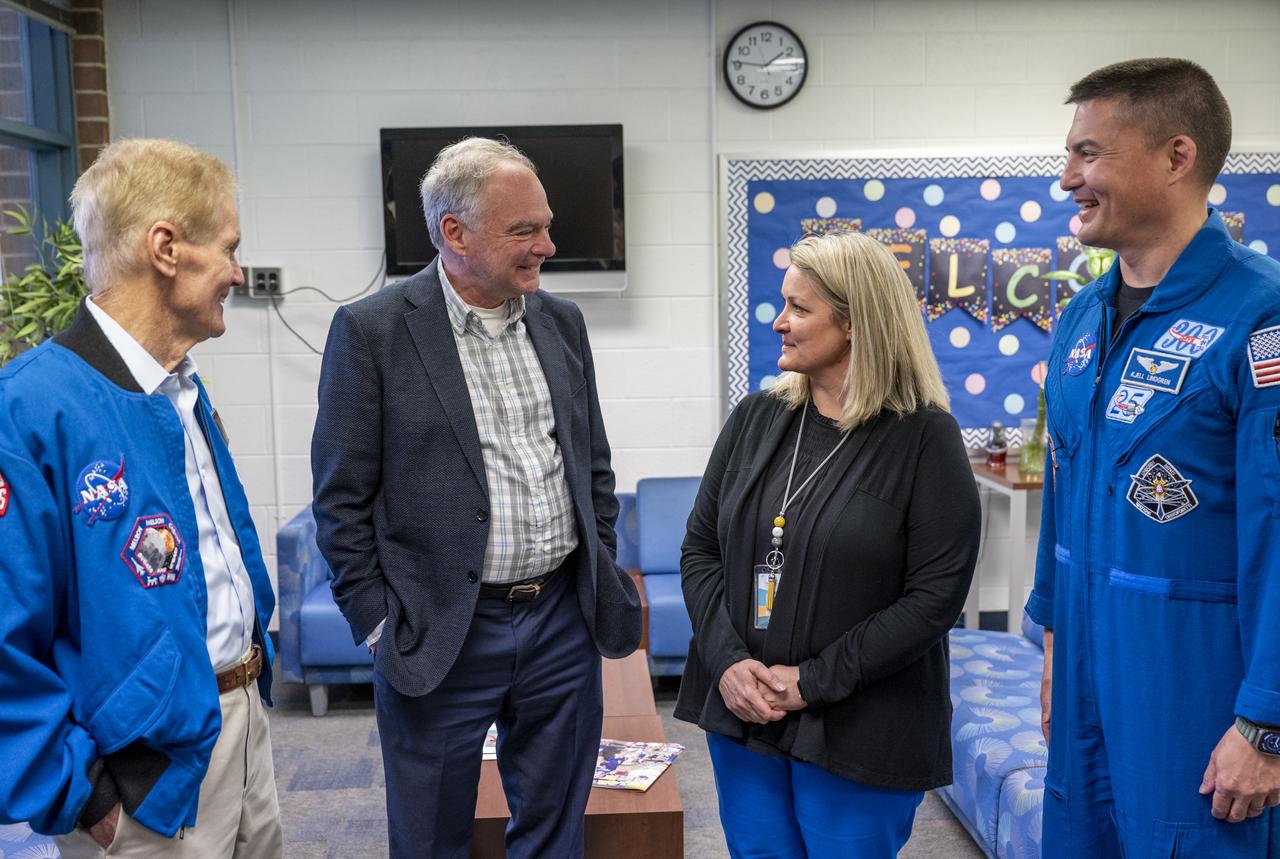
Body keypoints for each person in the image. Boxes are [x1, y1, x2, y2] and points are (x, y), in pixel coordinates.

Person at [311, 136, 641, 858]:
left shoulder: (562, 324)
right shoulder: (372, 332)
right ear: (452, 233)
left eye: (546, 225)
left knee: (555, 833)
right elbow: (339, 501)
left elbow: (593, 466)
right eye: (525, 230)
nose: (547, 246)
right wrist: (377, 624)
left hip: (559, 618)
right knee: (431, 837)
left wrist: (598, 559)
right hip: (439, 630)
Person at [0, 138, 281, 857]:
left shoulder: (180, 387)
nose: (236, 272)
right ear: (166, 248)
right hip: (140, 783)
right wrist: (84, 795)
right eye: (227, 247)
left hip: (241, 728)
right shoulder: (30, 408)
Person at [1028, 57, 1280, 857]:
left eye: (1089, 154)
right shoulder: (1078, 320)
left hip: (1198, 694)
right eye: (1069, 154)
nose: (1068, 176)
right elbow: (1065, 503)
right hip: (1085, 683)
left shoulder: (1260, 316)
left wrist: (1266, 720)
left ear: (1177, 157)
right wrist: (1053, 649)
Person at [675, 231, 981, 858]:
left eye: (799, 308)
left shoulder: (926, 439)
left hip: (862, 723)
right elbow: (700, 551)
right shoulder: (756, 420)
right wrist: (729, 663)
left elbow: (934, 599)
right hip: (744, 709)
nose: (780, 322)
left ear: (855, 322)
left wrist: (811, 682)